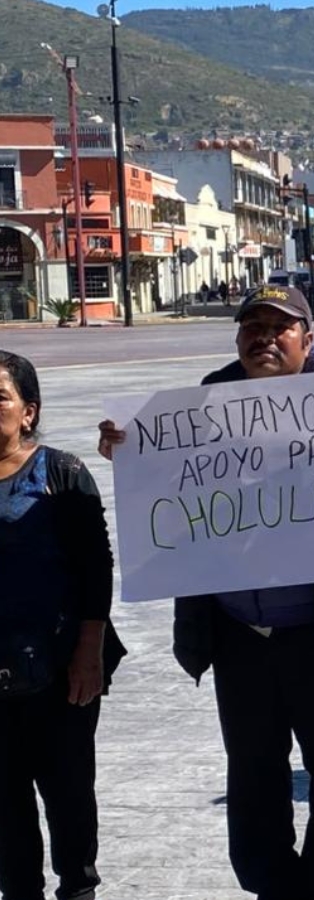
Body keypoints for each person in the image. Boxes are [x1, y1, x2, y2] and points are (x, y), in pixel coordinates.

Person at [96, 286, 314, 900]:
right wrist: (127, 454)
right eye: (253, 326)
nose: (264, 338)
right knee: (252, 770)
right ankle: (270, 883)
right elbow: (166, 495)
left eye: (280, 327)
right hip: (239, 630)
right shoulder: (199, 404)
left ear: (308, 339)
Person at [0, 351, 125, 900]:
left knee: (69, 797)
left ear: (29, 411)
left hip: (59, 672)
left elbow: (96, 569)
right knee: (5, 813)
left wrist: (88, 652)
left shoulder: (62, 473)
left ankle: (78, 888)